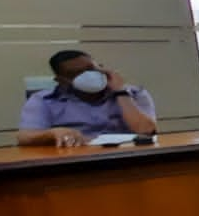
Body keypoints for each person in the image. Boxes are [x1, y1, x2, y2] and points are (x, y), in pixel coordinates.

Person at [17, 50, 157, 147]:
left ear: (102, 68)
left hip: (127, 158)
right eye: (75, 73)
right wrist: (51, 133)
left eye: (91, 69)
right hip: (75, 162)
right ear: (61, 80)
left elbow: (146, 130)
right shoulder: (43, 100)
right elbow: (24, 137)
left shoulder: (135, 93)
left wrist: (120, 92)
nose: (88, 75)